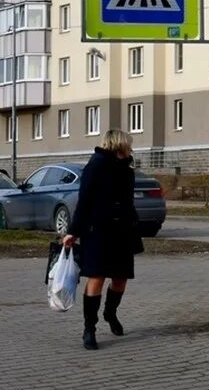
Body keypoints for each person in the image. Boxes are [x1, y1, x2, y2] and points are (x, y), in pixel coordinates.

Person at [62, 129, 142, 350]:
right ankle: (89, 328)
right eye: (128, 144)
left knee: (120, 278)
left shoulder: (128, 169)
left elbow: (127, 201)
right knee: (96, 277)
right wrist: (73, 230)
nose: (131, 148)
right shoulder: (96, 165)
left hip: (122, 231)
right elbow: (84, 199)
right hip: (98, 230)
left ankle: (110, 312)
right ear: (118, 145)